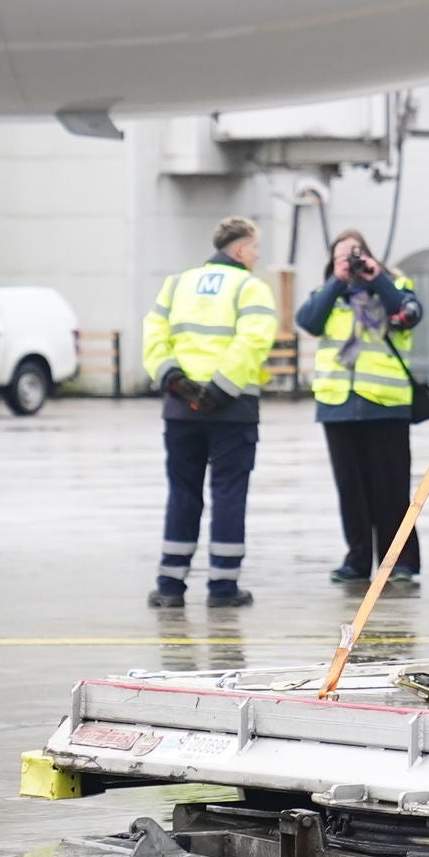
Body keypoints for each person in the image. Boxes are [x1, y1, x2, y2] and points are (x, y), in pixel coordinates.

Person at [142, 216, 278, 607]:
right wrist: (220, 388)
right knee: (229, 493)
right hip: (232, 408)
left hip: (181, 408)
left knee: (183, 493)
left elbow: (154, 334)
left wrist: (174, 380)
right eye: (254, 248)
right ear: (239, 249)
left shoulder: (177, 283)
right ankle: (222, 587)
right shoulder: (250, 287)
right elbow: (253, 340)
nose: (256, 255)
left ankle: (170, 586)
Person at [297, 229, 427, 589]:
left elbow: (409, 313)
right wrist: (337, 282)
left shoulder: (394, 285)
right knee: (350, 490)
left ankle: (400, 561)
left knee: (392, 490)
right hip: (338, 405)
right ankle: (356, 561)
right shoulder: (327, 294)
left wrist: (377, 278)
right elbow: (307, 322)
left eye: (355, 256)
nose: (350, 263)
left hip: (385, 405)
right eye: (341, 257)